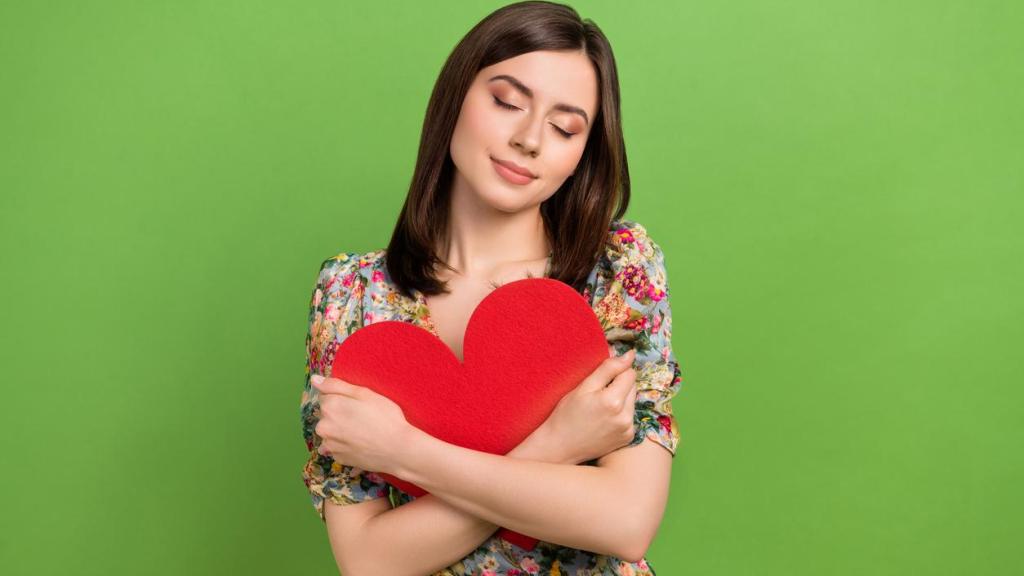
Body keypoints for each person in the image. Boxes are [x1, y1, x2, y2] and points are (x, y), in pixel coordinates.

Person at [299, 2, 682, 574]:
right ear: (455, 98)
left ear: (582, 154)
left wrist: (404, 450)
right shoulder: (351, 293)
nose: (529, 139)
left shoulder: (617, 271)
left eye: (564, 127)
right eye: (507, 102)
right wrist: (557, 443)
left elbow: (624, 521)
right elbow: (370, 561)